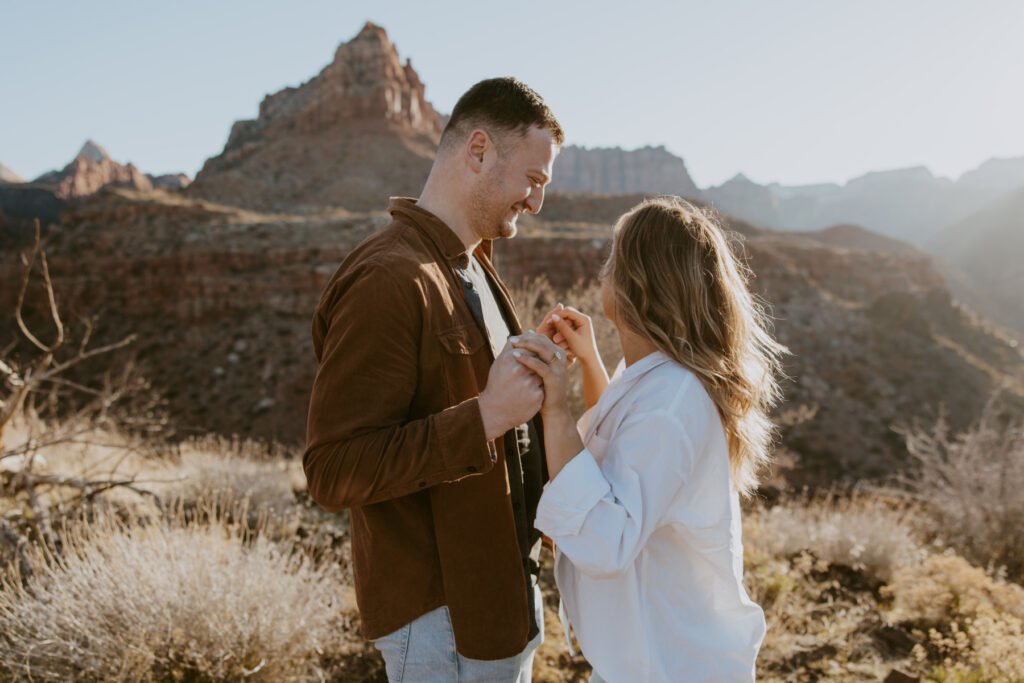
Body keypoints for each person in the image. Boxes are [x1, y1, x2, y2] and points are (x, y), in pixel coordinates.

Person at [302, 78, 563, 682]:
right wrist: (487, 416)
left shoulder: (471, 265)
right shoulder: (389, 279)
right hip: (441, 623)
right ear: (478, 151)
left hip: (500, 604)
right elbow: (332, 469)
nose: (537, 201)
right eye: (534, 178)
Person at [510, 196, 786, 682]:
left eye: (614, 258)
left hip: (672, 668)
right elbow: (610, 462)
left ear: (639, 281)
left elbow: (603, 541)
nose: (604, 270)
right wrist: (592, 363)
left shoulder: (672, 401)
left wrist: (554, 404)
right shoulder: (656, 382)